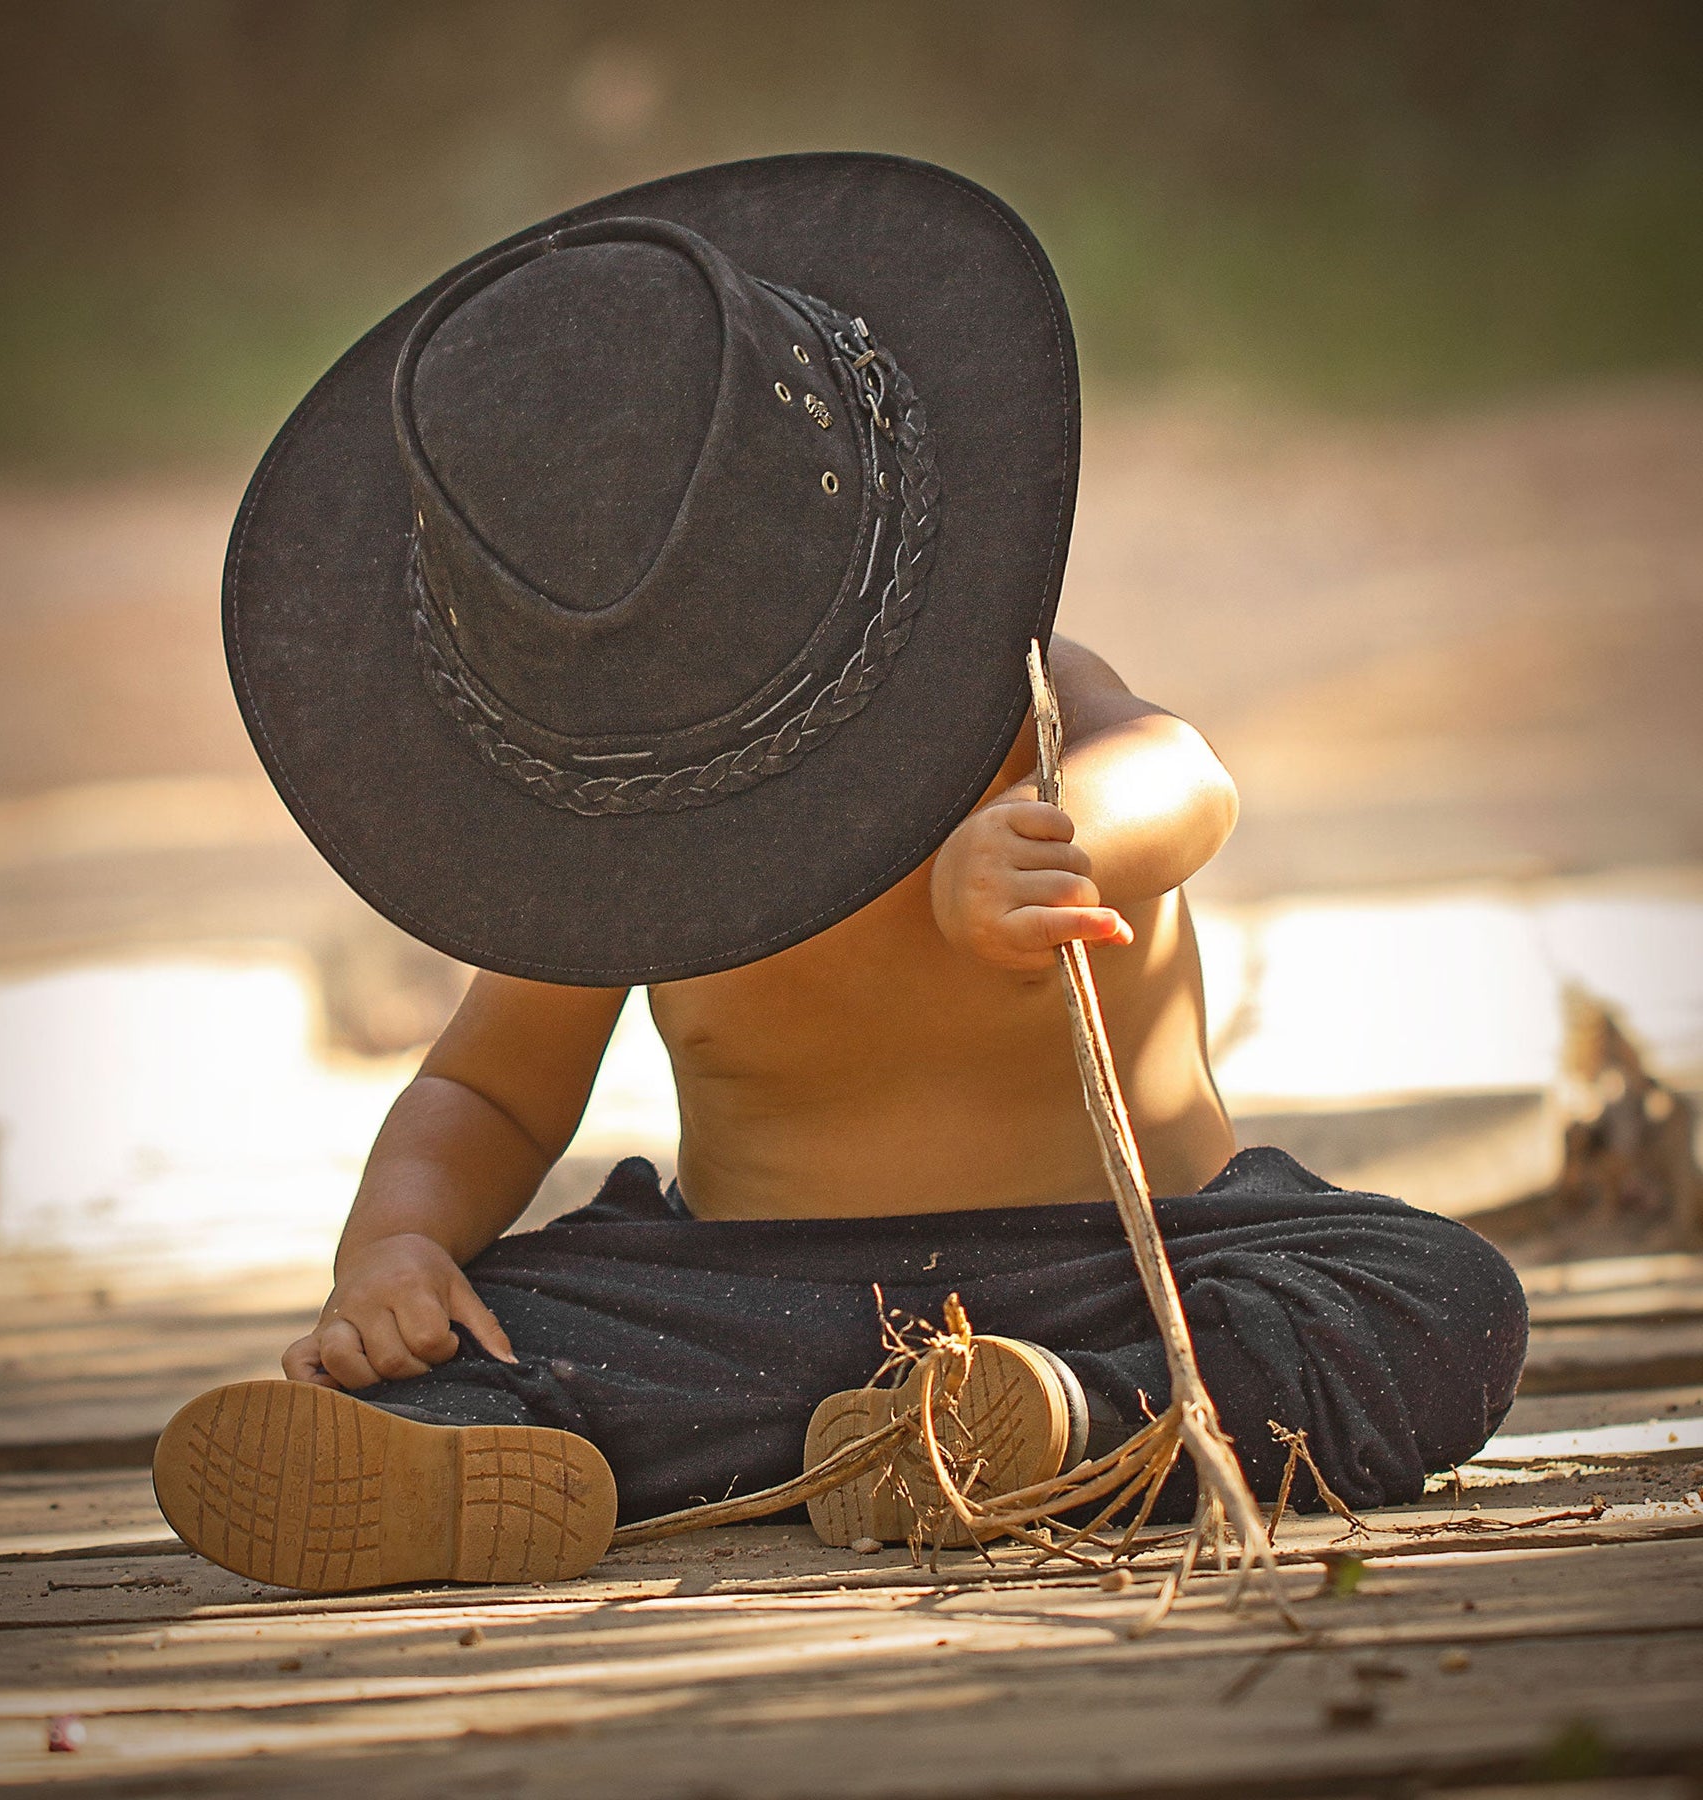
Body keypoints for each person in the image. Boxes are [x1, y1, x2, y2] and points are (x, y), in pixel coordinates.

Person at [155, 154, 1528, 1594]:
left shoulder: (1022, 706)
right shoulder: (610, 826)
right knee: (499, 1323)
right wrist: (392, 1255)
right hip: (757, 1306)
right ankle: (467, 1439)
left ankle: (1071, 1422)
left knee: (1438, 1298)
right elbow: (488, 1087)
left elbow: (1189, 777)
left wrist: (1058, 839)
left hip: (1124, 1270)